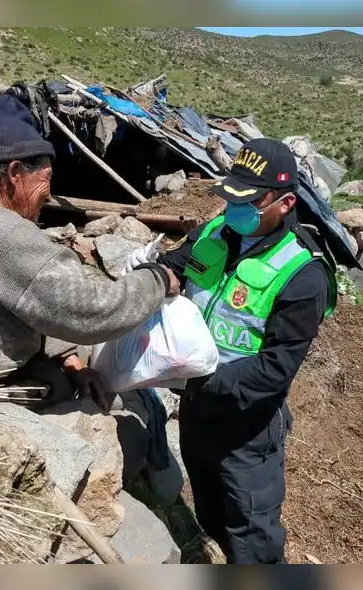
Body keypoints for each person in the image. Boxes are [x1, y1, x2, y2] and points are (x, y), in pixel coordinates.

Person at [0, 92, 180, 410]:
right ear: (15, 173)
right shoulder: (2, 233)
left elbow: (27, 295)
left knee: (74, 371)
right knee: (138, 413)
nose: (48, 194)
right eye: (45, 179)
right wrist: (155, 279)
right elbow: (90, 311)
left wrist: (68, 357)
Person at [131, 138, 337, 564]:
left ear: (285, 203)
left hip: (245, 430)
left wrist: (197, 377)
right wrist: (153, 275)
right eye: (231, 197)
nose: (234, 210)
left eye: (249, 202)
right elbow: (177, 264)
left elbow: (275, 371)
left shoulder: (303, 273)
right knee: (210, 513)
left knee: (252, 540)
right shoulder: (214, 231)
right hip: (196, 411)